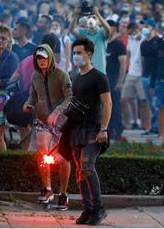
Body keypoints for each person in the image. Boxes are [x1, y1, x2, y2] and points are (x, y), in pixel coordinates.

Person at [59, 37, 112, 225]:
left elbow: (107, 103)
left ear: (89, 54)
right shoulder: (75, 77)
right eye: (74, 53)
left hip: (93, 128)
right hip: (76, 130)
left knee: (87, 166)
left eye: (79, 53)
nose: (76, 56)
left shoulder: (99, 77)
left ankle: (99, 208)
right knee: (80, 170)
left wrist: (103, 129)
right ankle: (88, 209)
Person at [23, 44, 72, 210]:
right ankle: (48, 188)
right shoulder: (35, 76)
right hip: (42, 119)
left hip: (62, 121)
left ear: (50, 57)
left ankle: (63, 194)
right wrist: (28, 104)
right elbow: (33, 95)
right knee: (42, 148)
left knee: (64, 157)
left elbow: (70, 98)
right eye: (39, 58)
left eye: (44, 58)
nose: (42, 61)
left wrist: (56, 113)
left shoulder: (61, 75)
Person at [121, 22, 150, 132]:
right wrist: (124, 73)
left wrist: (140, 33)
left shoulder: (143, 37)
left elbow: (146, 34)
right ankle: (128, 123)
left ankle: (146, 125)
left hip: (141, 74)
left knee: (144, 101)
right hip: (131, 73)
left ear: (135, 30)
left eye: (131, 32)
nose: (129, 34)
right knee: (124, 98)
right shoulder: (130, 40)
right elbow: (128, 57)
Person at [69, 5, 111, 74]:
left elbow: (108, 30)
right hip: (85, 72)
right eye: (89, 17)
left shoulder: (101, 33)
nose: (91, 19)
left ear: (99, 22)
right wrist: (76, 14)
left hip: (99, 71)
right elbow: (71, 30)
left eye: (94, 18)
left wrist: (97, 13)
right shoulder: (83, 32)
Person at [106, 20, 126, 140]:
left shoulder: (119, 45)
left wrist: (120, 81)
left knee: (115, 106)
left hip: (114, 79)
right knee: (105, 106)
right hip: (103, 79)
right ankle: (108, 130)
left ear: (114, 29)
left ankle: (118, 131)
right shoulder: (102, 43)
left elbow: (123, 65)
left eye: (108, 27)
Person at [140, 19, 160, 135]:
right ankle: (153, 127)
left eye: (147, 26)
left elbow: (159, 62)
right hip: (145, 76)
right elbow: (143, 60)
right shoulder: (143, 44)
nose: (144, 28)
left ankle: (158, 127)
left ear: (152, 27)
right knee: (150, 103)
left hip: (155, 76)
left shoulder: (158, 42)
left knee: (156, 103)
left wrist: (154, 79)